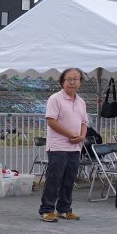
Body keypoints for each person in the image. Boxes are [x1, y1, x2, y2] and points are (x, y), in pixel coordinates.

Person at [38, 68, 87, 222]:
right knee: (55, 178)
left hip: (74, 147)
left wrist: (82, 137)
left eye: (76, 79)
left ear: (80, 82)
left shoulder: (81, 101)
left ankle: (64, 209)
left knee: (69, 178)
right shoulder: (55, 98)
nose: (72, 82)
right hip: (58, 146)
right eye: (69, 79)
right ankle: (46, 210)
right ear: (62, 81)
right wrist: (70, 135)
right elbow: (51, 121)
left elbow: (84, 122)